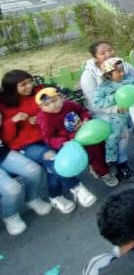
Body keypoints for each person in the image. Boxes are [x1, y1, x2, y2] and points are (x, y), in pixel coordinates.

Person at [0, 70, 96, 214]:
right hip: (26, 145)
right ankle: (77, 188)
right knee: (51, 157)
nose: (29, 86)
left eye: (30, 81)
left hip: (49, 136)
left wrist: (41, 117)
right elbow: (7, 138)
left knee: (52, 165)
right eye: (23, 84)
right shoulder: (5, 105)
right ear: (12, 88)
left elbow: (56, 111)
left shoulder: (40, 93)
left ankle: (55, 196)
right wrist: (13, 121)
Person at [35, 87, 119, 188]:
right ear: (41, 107)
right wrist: (63, 142)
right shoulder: (45, 119)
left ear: (61, 97)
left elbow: (82, 111)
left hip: (85, 131)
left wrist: (85, 118)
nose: (52, 106)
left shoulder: (69, 104)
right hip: (73, 142)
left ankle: (99, 165)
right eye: (46, 105)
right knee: (94, 153)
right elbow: (49, 138)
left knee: (102, 146)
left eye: (54, 100)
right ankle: (104, 174)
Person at [1, 136, 52, 235]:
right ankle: (10, 215)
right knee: (11, 188)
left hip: (3, 153)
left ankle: (32, 198)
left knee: (34, 170)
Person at [81, 41, 134, 109]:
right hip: (107, 112)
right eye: (102, 53)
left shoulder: (126, 66)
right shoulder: (88, 76)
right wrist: (116, 109)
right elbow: (95, 103)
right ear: (95, 57)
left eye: (110, 50)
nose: (109, 54)